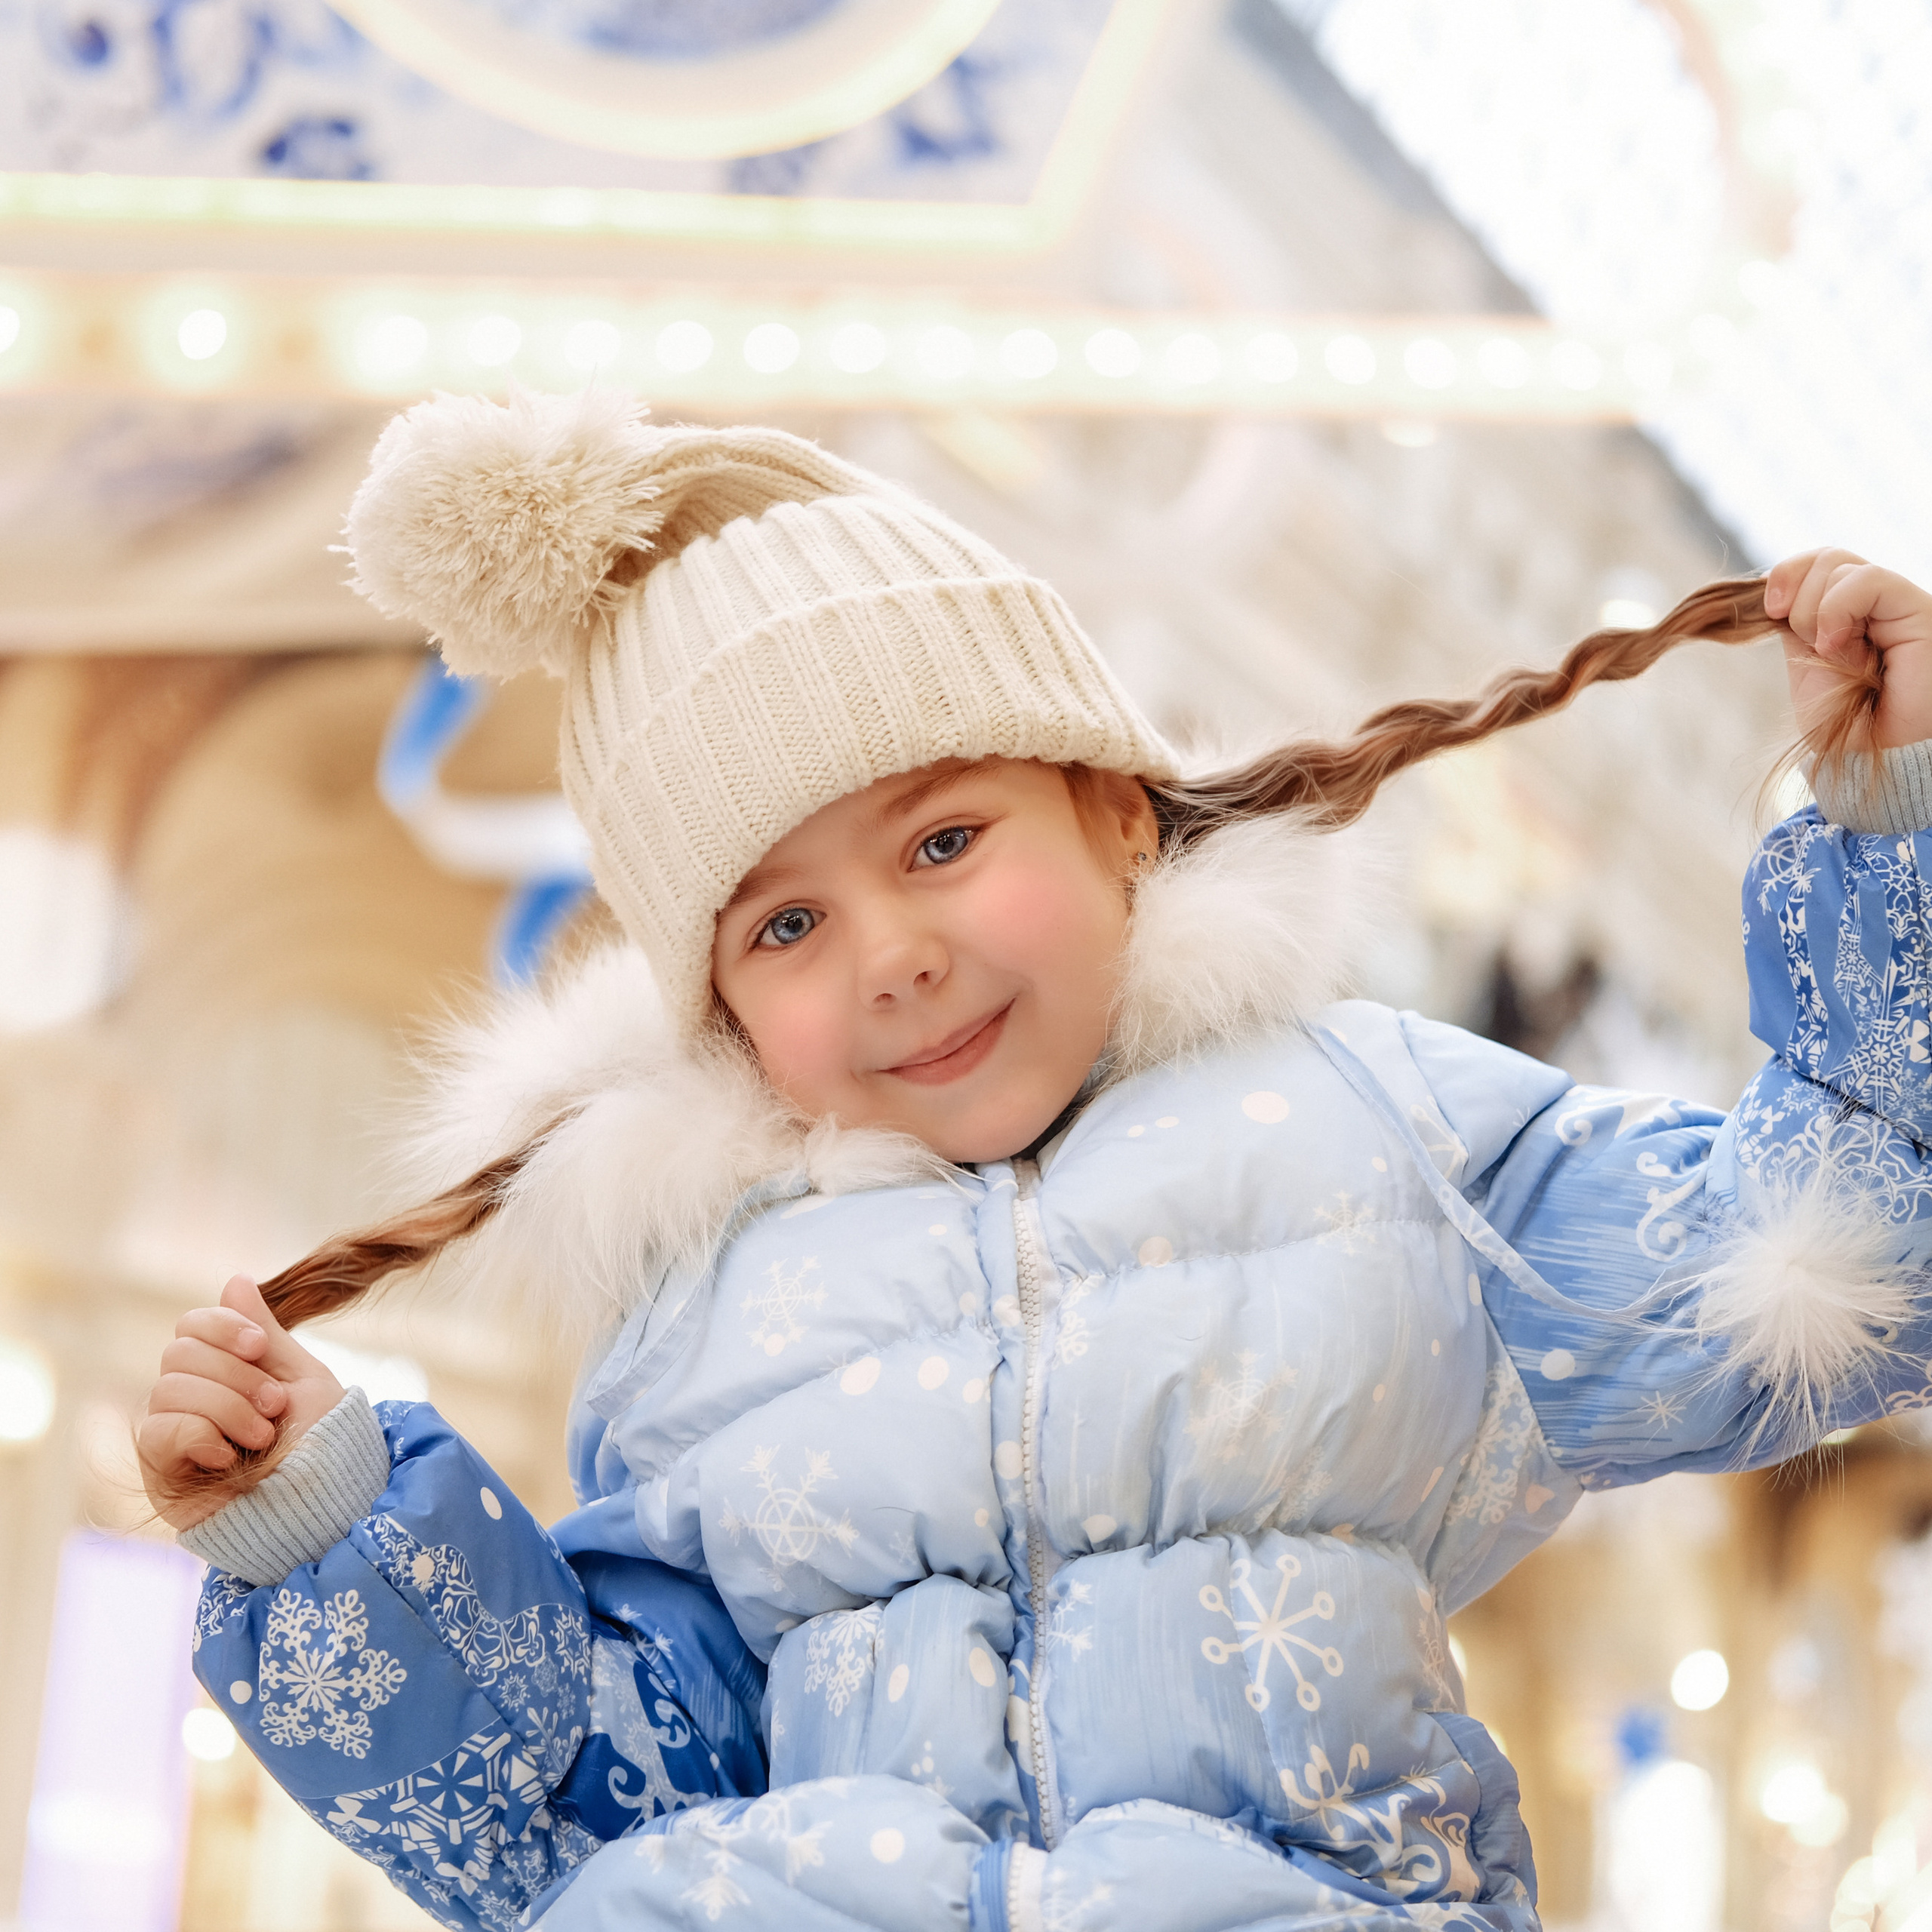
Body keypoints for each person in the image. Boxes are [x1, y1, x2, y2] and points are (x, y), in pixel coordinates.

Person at [139, 388, 1932, 1932]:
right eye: (782, 926)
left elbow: (1841, 1243)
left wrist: (1899, 825)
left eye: (940, 838)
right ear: (720, 1017)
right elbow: (588, 1795)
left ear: (1113, 812)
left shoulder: (1379, 1137)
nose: (890, 957)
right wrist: (330, 1538)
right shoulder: (705, 1331)